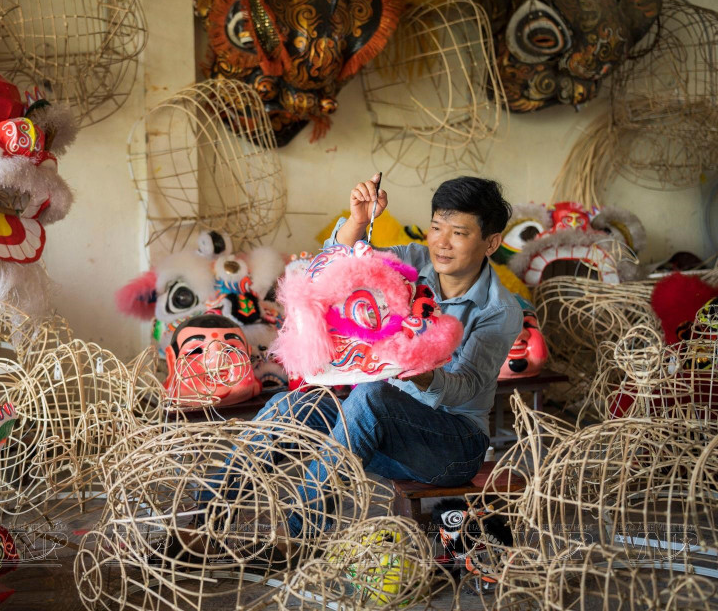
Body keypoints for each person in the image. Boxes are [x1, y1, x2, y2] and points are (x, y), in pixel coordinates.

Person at [195, 173, 523, 550]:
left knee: (372, 397)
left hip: (453, 445)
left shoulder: (500, 310)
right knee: (301, 402)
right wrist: (357, 221)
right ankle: (206, 520)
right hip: (379, 423)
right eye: (436, 227)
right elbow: (340, 266)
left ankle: (298, 538)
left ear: (492, 242)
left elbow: (464, 386)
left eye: (459, 233)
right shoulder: (411, 262)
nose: (441, 243)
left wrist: (418, 371)